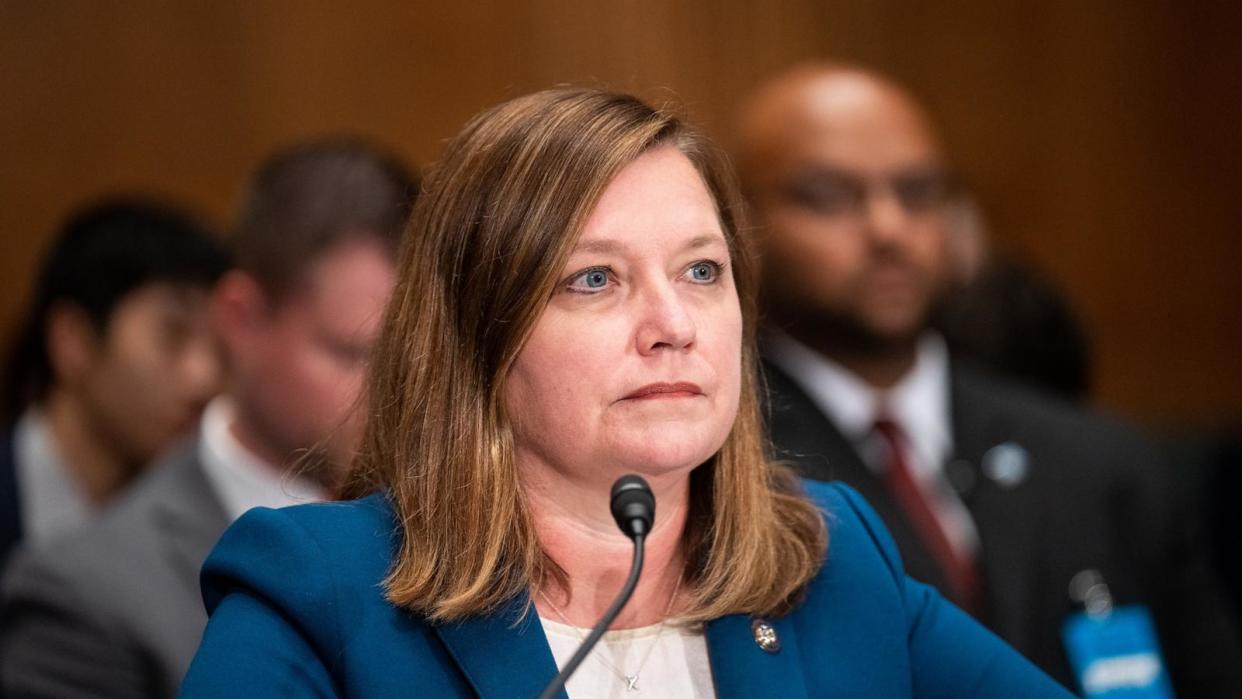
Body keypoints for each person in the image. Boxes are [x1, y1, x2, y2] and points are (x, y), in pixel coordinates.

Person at [179, 89, 1071, 698]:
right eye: (596, 280)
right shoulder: (318, 587)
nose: (672, 322)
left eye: (701, 269)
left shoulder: (829, 557)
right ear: (477, 335)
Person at [735, 61, 1242, 694]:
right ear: (738, 223)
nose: (888, 229)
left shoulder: (1101, 464)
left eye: (919, 193)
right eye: (830, 196)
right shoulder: (726, 470)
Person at [0, 138, 417, 698]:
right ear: (240, 318)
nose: (394, 393)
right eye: (353, 353)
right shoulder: (85, 592)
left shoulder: (460, 535)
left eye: (413, 358)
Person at [0, 198, 228, 571]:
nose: (204, 377)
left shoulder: (207, 529)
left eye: (219, 346)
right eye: (173, 334)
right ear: (72, 341)